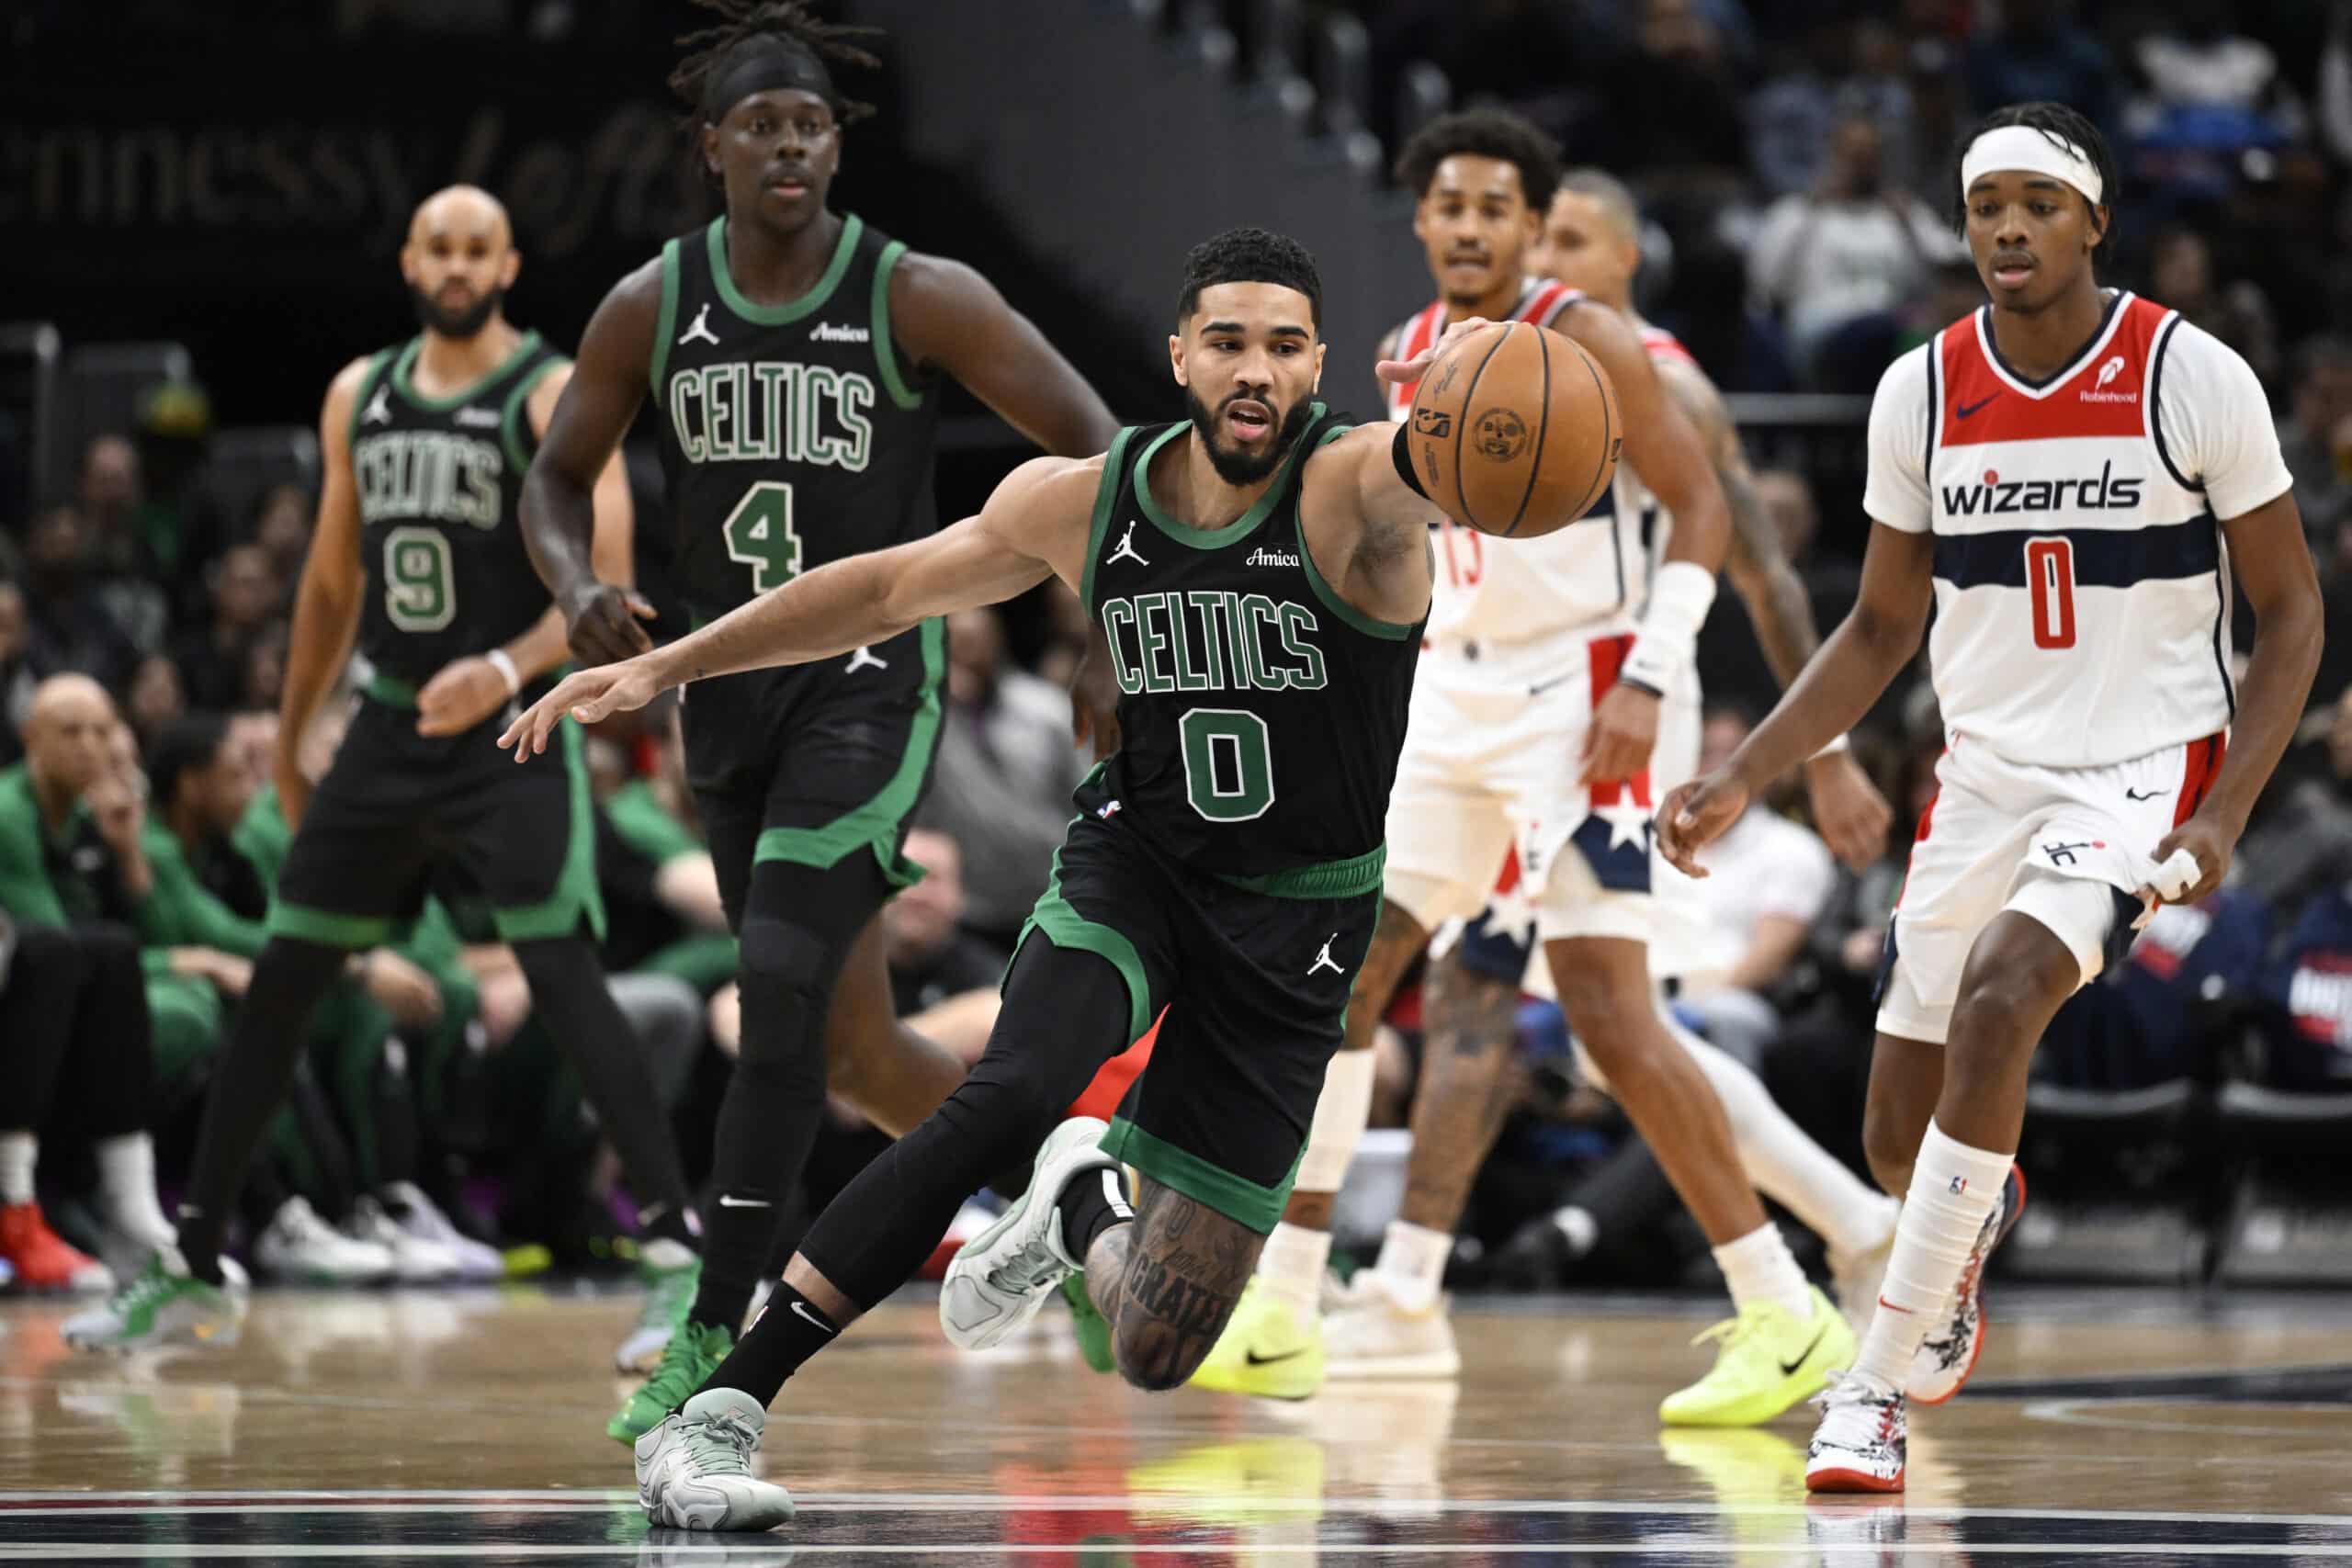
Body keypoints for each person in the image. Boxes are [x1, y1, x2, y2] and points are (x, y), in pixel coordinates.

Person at [502, 224, 1477, 1532]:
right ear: (1179, 353)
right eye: (1229, 341)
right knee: (999, 1092)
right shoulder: (1091, 496)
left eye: (1286, 345)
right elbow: (887, 586)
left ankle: (1081, 1206)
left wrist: (1489, 380)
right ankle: (718, 1409)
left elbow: (1448, 463)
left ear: (1317, 365)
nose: (1256, 370)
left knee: (1152, 1345)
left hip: (1299, 921)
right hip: (1137, 862)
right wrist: (664, 667)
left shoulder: (1356, 487)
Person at [1661, 102, 2323, 1493]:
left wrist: (2220, 815)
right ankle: (1966, 1219)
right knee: (1902, 1138)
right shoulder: (1921, 390)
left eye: (2037, 202)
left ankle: (1872, 1388)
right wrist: (1746, 768)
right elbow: (1878, 628)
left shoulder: (2189, 374)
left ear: (2093, 220)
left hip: (2146, 764)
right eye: (1984, 208)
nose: (2008, 229)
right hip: (1980, 776)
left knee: (2006, 991)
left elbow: (2292, 613)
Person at [1200, 117, 1891, 1427]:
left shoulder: (1597, 339)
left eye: (1495, 208)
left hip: (1582, 697)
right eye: (1448, 205)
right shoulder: (1409, 353)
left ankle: (1781, 1307)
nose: (1469, 227)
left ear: (1533, 223)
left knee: (1610, 1013)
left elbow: (1702, 512)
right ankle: (1290, 1298)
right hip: (1451, 695)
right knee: (1337, 973)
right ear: (1422, 223)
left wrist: (1648, 675)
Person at [514, 0, 1119, 1441]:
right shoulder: (650, 302)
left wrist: (1090, 607)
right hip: (719, 689)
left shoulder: (915, 293)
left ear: (837, 149)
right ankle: (1065, 1191)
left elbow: (1095, 441)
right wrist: (579, 581)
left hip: (866, 683)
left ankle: (714, 1335)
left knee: (775, 987)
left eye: (812, 125)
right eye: (762, 125)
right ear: (711, 146)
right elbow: (552, 477)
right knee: (847, 1053)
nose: (789, 144)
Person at [62, 185, 707, 1359]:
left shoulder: (551, 390)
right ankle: (196, 1256)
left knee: (563, 974)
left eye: (477, 247)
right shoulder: (359, 391)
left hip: (510, 720)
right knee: (288, 973)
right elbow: (327, 580)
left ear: (508, 261)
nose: (456, 265)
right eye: (437, 246)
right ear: (410, 257)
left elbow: (603, 582)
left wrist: (502, 667)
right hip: (388, 723)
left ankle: (680, 1257)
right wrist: (302, 725)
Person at [0, 676, 187, 1292]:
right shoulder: (9, 812)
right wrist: (186, 965)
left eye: (102, 731)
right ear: (30, 738)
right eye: (70, 731)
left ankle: (130, 1211)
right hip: (27, 992)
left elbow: (146, 935)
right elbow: (53, 948)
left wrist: (129, 852)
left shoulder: (92, 817)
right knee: (63, 954)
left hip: (50, 1001)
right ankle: (18, 1205)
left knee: (113, 951)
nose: (89, 746)